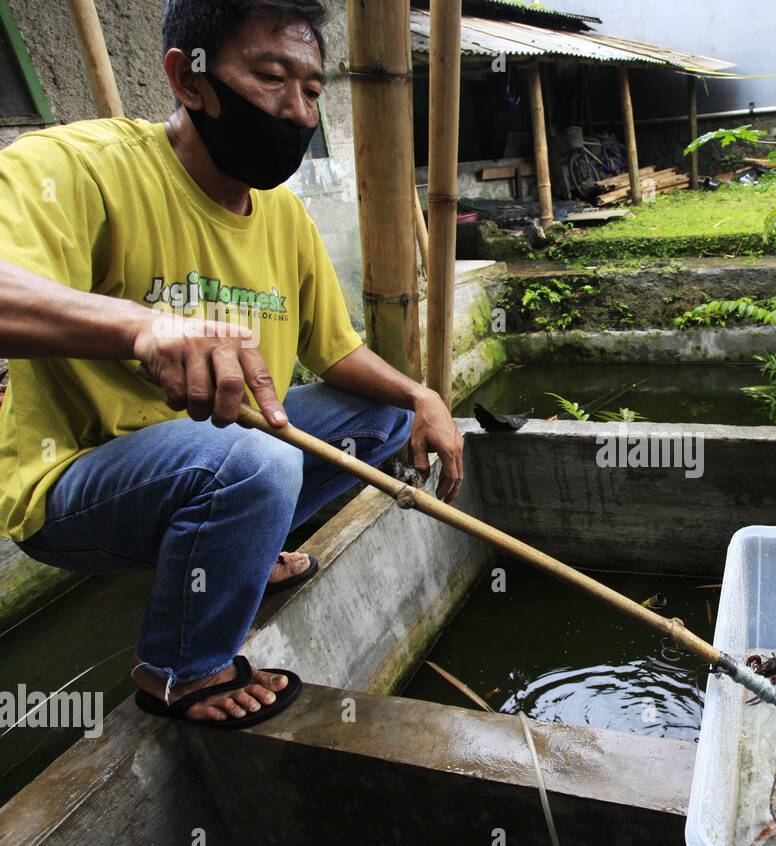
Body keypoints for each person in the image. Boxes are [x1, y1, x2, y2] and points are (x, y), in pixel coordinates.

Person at [0, 0, 463, 725]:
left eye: (312, 90)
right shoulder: (76, 166)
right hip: (80, 482)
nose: (298, 112)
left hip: (224, 459)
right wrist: (146, 328)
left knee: (386, 415)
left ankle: (246, 545)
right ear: (190, 79)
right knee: (250, 463)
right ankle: (179, 670)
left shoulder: (282, 215)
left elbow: (336, 351)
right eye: (272, 78)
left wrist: (423, 394)